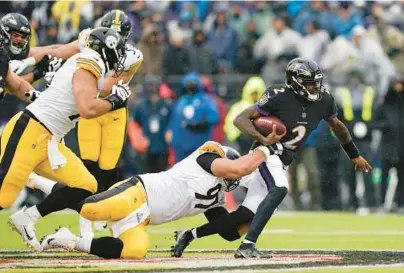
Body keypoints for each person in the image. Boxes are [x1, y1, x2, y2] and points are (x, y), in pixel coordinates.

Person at [173, 58, 372, 259]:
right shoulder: (278, 96)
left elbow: (337, 127)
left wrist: (354, 154)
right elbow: (240, 119)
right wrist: (263, 140)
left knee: (238, 224)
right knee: (280, 188)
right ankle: (248, 246)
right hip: (266, 153)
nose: (315, 87)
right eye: (310, 82)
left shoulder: (324, 100)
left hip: (283, 159)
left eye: (316, 81)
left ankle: (189, 234)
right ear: (296, 82)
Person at [2, 27, 129, 252]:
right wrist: (115, 101)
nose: (119, 59)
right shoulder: (90, 62)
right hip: (31, 131)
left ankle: (28, 217)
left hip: (50, 140)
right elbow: (88, 108)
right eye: (117, 52)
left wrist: (112, 98)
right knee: (3, 196)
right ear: (106, 50)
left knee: (86, 185)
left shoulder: (88, 64)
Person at [39, 141, 274, 259]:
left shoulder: (217, 198)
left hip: (142, 218)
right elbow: (237, 168)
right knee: (90, 209)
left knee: (135, 251)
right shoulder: (207, 159)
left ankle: (69, 240)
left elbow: (229, 232)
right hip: (137, 192)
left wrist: (258, 215)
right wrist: (264, 150)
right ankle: (41, 183)